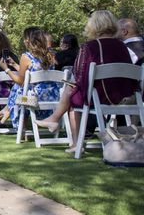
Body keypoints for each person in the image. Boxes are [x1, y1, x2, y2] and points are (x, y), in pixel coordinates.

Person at [36, 10, 139, 153]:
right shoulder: (122, 46)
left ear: (93, 26)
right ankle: (54, 120)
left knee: (71, 93)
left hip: (100, 96)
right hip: (124, 95)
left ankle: (75, 143)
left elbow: (79, 76)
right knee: (71, 89)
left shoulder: (89, 47)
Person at [0, 28, 60, 128]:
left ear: (30, 41)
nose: (24, 41)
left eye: (25, 38)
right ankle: (7, 110)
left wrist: (6, 69)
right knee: (22, 89)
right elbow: (32, 75)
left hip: (32, 101)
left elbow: (20, 81)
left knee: (18, 90)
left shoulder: (26, 57)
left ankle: (15, 120)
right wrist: (14, 65)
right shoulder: (51, 55)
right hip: (53, 98)